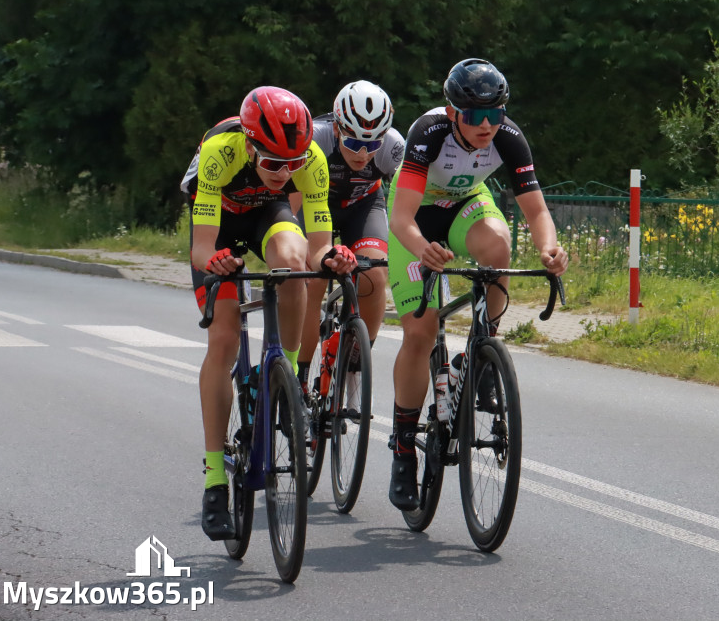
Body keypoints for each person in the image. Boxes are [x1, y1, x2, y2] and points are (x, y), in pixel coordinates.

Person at [385, 58, 569, 510]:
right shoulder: (427, 132)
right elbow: (401, 217)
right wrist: (422, 247)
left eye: (496, 113)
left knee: (499, 247)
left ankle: (483, 351)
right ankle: (404, 448)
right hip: (417, 219)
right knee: (420, 331)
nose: (487, 125)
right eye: (475, 116)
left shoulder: (507, 136)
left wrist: (549, 249)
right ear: (453, 113)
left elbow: (537, 211)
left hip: (466, 203)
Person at [180, 86, 357, 540]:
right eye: (275, 163)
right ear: (251, 145)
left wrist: (333, 257)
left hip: (265, 216)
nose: (285, 172)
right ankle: (216, 479)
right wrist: (216, 262)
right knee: (222, 341)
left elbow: (318, 248)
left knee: (294, 262)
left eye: (294, 163)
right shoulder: (221, 151)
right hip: (219, 223)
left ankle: (289, 377)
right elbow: (203, 247)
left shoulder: (309, 159)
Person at [295, 80, 404, 409]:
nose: (362, 153)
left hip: (363, 207)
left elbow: (409, 203)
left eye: (372, 144)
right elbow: (293, 201)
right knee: (311, 282)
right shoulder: (314, 137)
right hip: (316, 208)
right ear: (339, 127)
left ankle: (355, 360)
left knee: (374, 278)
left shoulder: (394, 147)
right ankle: (298, 379)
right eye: (355, 140)